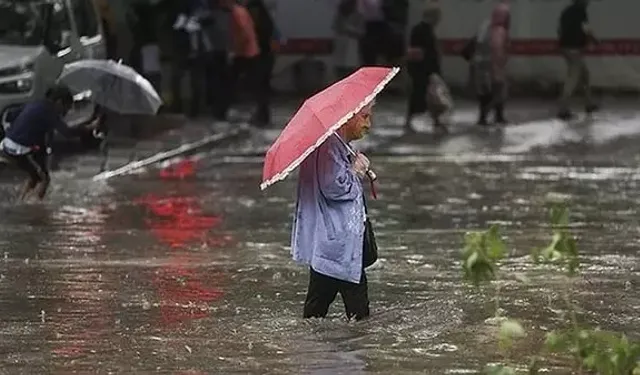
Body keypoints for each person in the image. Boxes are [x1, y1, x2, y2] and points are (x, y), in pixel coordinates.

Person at [292, 106, 374, 321]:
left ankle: (314, 349)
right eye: (364, 117)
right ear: (347, 118)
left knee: (315, 314)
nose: (368, 124)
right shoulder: (328, 148)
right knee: (358, 318)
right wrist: (356, 171)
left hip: (335, 247)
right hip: (338, 247)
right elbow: (333, 187)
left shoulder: (337, 145)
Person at [0, 85, 77, 201]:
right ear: (59, 102)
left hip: (7, 143)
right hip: (20, 148)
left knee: (35, 176)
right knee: (44, 179)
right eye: (66, 107)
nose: (65, 112)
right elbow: (67, 132)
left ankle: (21, 201)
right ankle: (33, 208)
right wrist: (89, 127)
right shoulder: (50, 111)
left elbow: (11, 115)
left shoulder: (35, 104)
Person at [470, 1, 510, 126]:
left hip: (480, 65)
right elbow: (498, 50)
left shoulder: (485, 26)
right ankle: (497, 116)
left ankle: (484, 117)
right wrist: (501, 65)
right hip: (492, 66)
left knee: (485, 92)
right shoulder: (500, 31)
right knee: (498, 91)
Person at [405, 3, 443, 134]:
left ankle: (435, 120)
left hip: (422, 69)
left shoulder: (423, 29)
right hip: (422, 70)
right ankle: (414, 120)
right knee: (424, 95)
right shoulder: (423, 30)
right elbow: (420, 52)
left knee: (429, 95)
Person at [557, 0, 598, 120]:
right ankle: (563, 109)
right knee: (573, 78)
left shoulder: (566, 11)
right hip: (574, 48)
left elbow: (560, 29)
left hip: (565, 47)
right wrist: (594, 40)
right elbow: (586, 28)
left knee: (584, 75)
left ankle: (589, 104)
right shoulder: (581, 11)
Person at [246, 0, 278, 126]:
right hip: (265, 57)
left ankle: (261, 116)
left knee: (260, 88)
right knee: (262, 88)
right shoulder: (266, 20)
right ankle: (262, 115)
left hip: (261, 57)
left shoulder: (260, 23)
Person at [332, 0, 364, 80]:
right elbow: (335, 27)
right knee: (340, 68)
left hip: (352, 43)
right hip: (340, 43)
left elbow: (361, 32)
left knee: (351, 68)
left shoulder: (358, 16)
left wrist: (351, 30)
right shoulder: (339, 16)